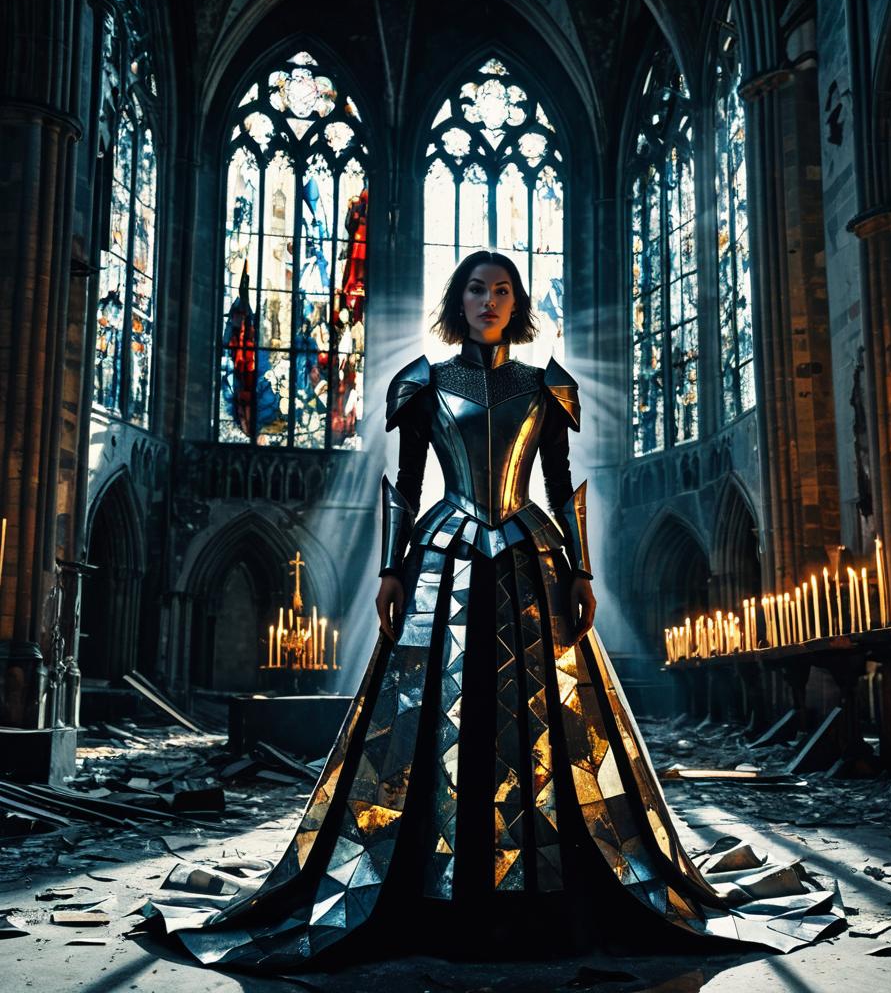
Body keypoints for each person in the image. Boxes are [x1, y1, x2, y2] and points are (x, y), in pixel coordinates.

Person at [146, 251, 843, 970]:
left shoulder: (545, 386)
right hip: (442, 560)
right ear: (460, 299)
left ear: (516, 302)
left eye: (502, 290)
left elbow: (563, 482)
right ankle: (426, 885)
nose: (489, 300)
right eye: (477, 289)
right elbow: (406, 484)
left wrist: (582, 571)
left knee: (541, 719)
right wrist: (392, 570)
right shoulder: (424, 382)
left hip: (529, 561)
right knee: (429, 719)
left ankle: (540, 885)